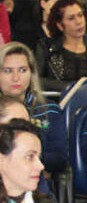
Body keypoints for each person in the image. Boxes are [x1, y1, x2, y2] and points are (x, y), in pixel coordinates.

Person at [0, 42, 67, 171]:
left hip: (37, 177)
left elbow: (60, 157)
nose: (16, 78)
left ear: (32, 73)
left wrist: (27, 158)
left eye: (22, 70)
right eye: (7, 71)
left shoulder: (49, 109)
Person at [36, 0, 87, 91]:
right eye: (71, 18)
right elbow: (37, 80)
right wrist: (72, 87)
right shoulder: (46, 47)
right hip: (57, 101)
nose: (78, 22)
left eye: (80, 15)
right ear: (60, 25)